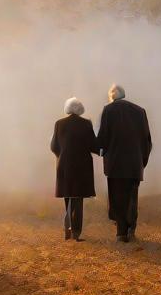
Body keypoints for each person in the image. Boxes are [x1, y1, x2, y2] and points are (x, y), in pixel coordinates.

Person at [96, 84, 151, 242]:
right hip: (135, 162)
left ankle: (121, 232)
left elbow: (103, 137)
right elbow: (147, 140)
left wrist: (99, 149)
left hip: (115, 163)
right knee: (132, 195)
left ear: (112, 96)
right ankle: (131, 227)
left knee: (117, 196)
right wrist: (142, 160)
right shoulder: (140, 111)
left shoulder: (108, 110)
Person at [50, 97, 98, 241]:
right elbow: (93, 146)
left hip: (64, 165)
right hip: (82, 167)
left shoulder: (59, 123)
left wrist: (62, 155)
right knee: (78, 200)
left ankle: (67, 227)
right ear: (80, 109)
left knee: (68, 196)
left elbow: (53, 146)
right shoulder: (86, 124)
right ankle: (76, 232)